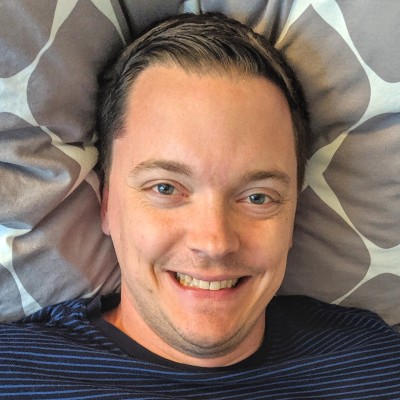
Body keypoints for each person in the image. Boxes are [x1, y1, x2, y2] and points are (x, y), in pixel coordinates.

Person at [1, 12, 400, 399]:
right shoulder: (13, 374)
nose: (215, 243)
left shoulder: (376, 367)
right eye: (165, 188)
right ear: (107, 205)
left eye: (257, 197)